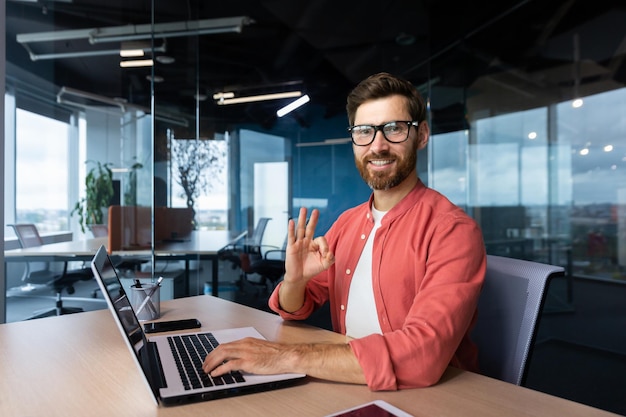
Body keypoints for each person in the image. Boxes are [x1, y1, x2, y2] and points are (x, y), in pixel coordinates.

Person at [203, 72, 486, 391]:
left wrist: (285, 357)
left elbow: (421, 356)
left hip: (430, 395)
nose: (378, 146)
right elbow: (297, 307)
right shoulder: (348, 223)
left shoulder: (453, 231)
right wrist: (295, 281)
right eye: (364, 131)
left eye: (393, 128)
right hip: (350, 379)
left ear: (421, 135)